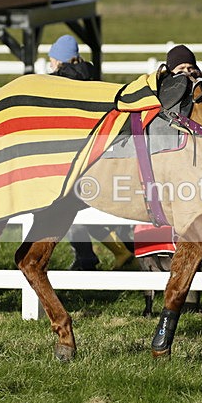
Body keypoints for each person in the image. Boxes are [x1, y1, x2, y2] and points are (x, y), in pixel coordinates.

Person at [47, 34, 134, 271]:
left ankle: (100, 255)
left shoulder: (58, 83)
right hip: (100, 151)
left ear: (61, 61)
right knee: (92, 204)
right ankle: (118, 252)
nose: (51, 64)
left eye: (52, 60)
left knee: (68, 204)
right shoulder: (93, 76)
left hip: (72, 153)